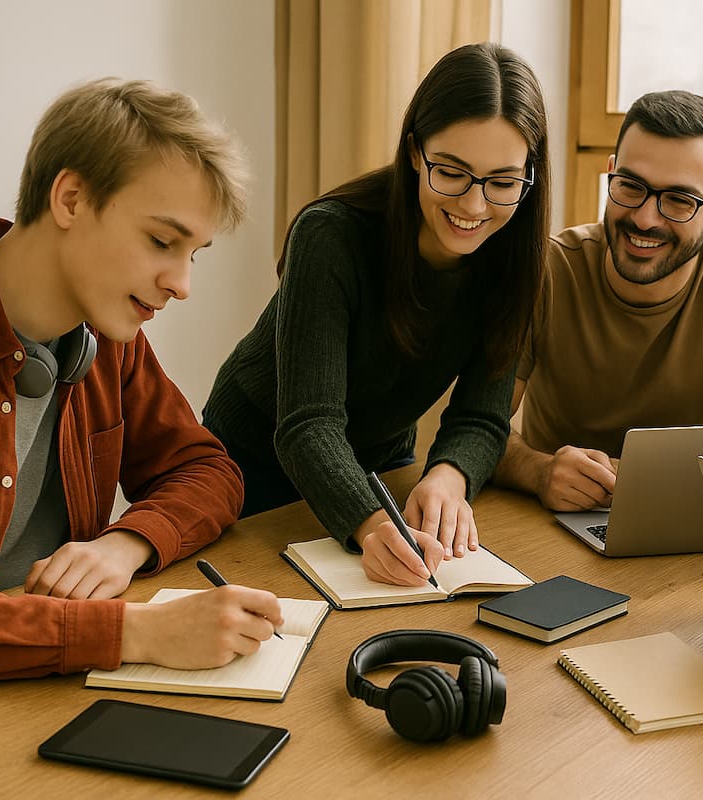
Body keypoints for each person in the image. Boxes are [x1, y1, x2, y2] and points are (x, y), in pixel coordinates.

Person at [0, 78, 286, 684]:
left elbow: (208, 472)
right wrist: (143, 632)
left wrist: (125, 543)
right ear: (71, 200)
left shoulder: (104, 337)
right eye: (161, 241)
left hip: (41, 680)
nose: (182, 284)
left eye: (194, 253)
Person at [202, 42, 549, 587]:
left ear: (529, 175)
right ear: (414, 151)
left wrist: (448, 476)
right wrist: (368, 524)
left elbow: (482, 416)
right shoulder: (330, 235)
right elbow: (307, 423)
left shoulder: (519, 260)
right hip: (252, 463)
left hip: (380, 465)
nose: (474, 206)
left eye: (503, 183)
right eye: (451, 172)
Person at [493, 90, 703, 511]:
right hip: (551, 522)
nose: (645, 218)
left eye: (679, 200)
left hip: (700, 523)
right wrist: (538, 471)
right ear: (610, 174)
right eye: (630, 186)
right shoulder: (546, 269)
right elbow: (476, 430)